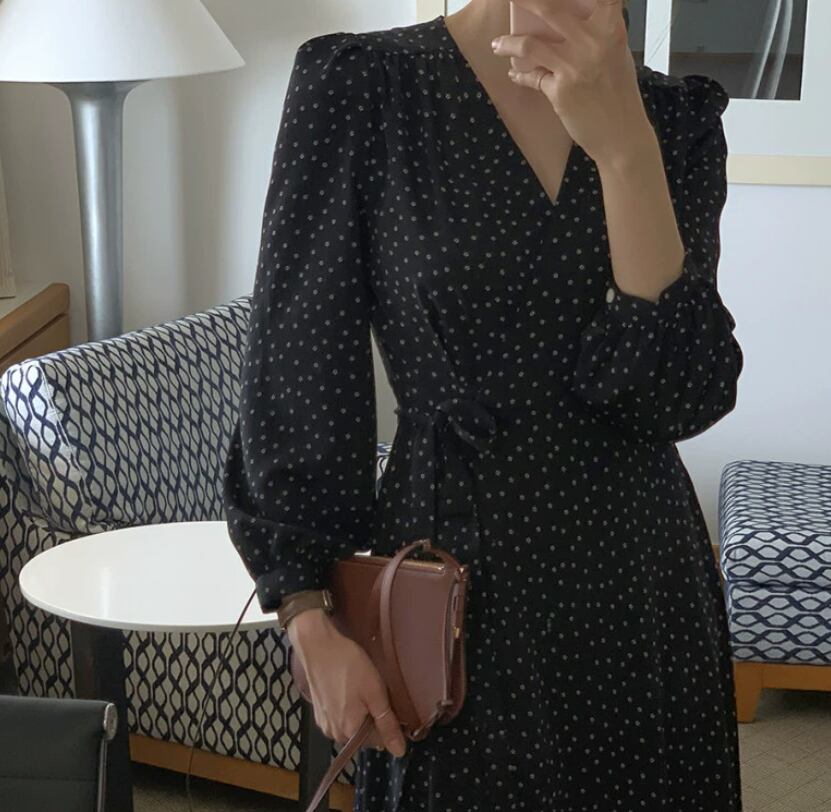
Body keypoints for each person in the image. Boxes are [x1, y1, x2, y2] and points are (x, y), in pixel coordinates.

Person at [223, 0, 745, 808]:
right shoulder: (364, 86)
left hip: (638, 586)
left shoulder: (674, 122)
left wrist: (624, 151)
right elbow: (299, 365)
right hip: (451, 584)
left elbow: (677, 394)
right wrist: (305, 613)